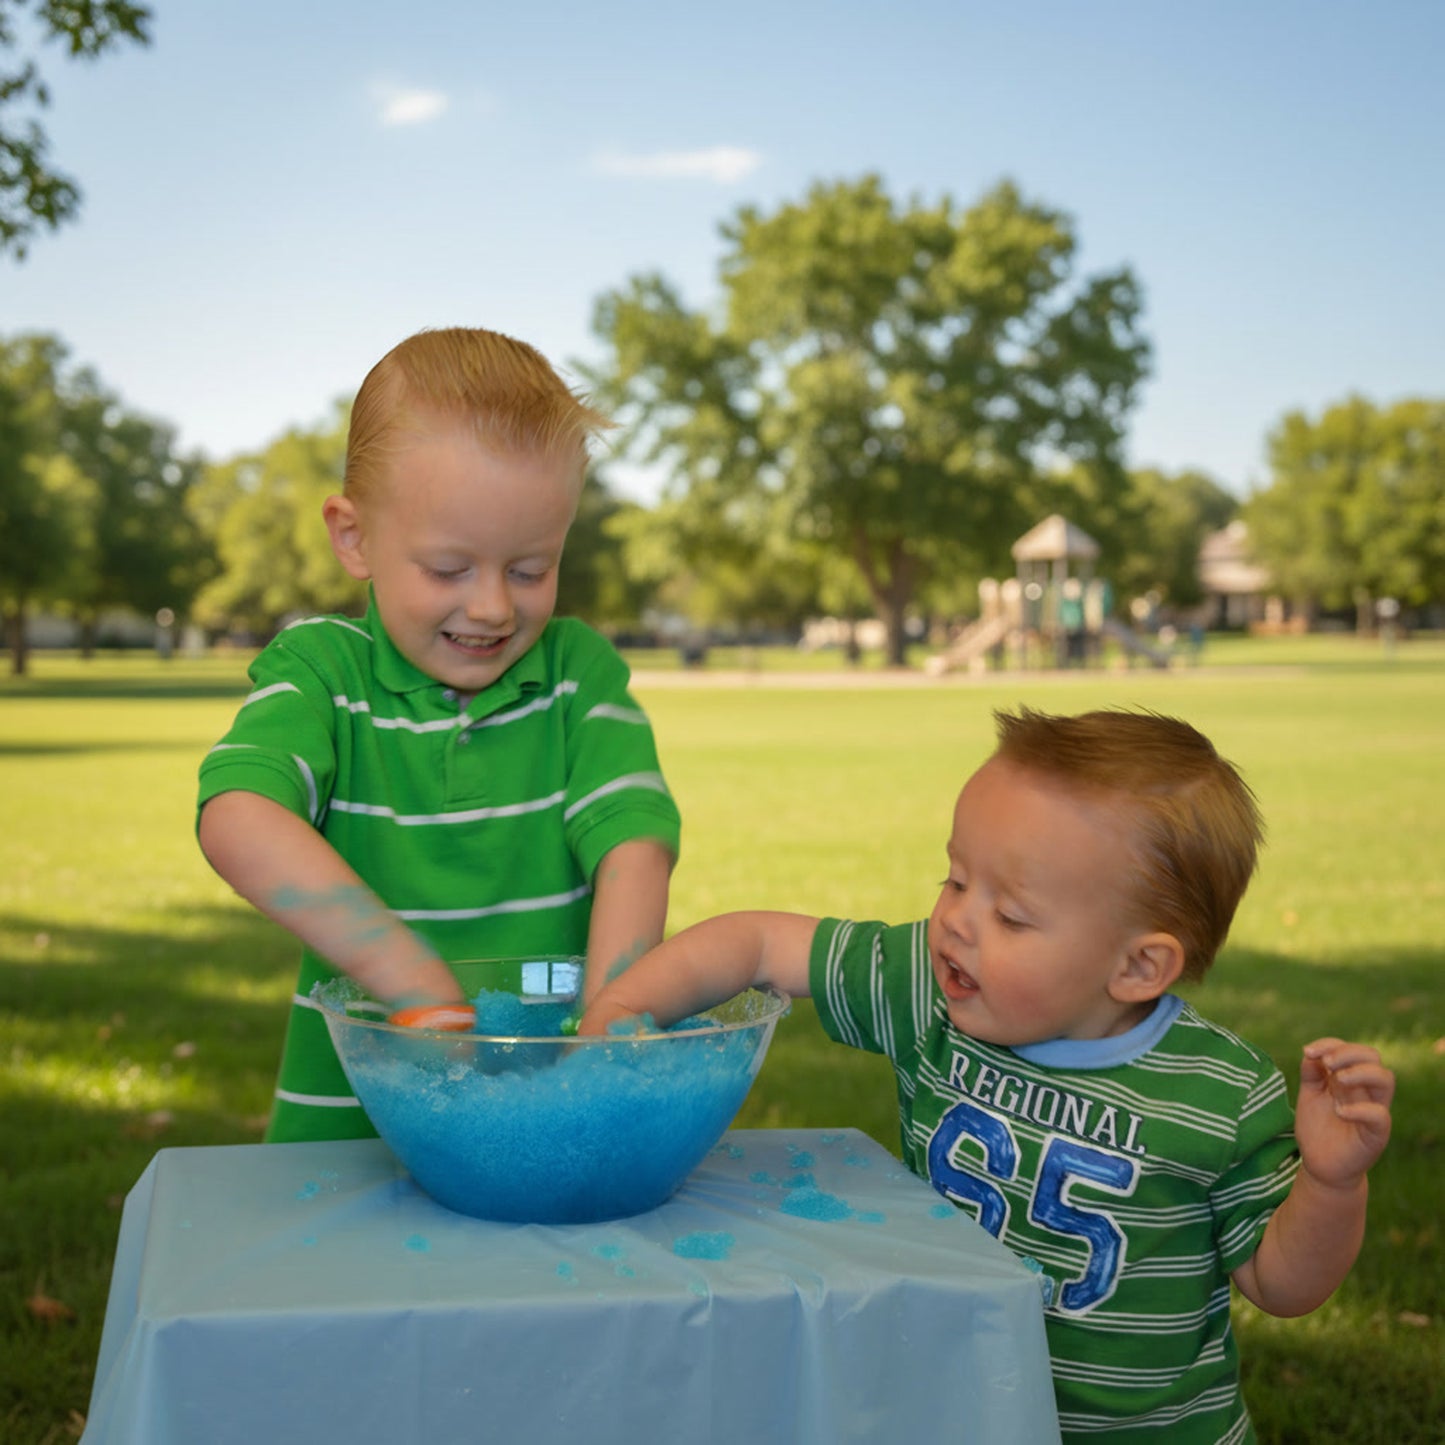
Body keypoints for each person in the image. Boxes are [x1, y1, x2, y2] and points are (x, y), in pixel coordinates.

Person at [579, 707, 1394, 1443]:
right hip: (955, 1405)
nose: (956, 922)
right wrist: (618, 1011)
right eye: (955, 879)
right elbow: (758, 943)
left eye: (1009, 915)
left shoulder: (1218, 1092)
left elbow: (1280, 1284)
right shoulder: (926, 990)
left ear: (1138, 966)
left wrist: (1331, 1181)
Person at [199, 326, 681, 1143]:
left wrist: (611, 1029)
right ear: (354, 537)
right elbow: (237, 816)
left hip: (546, 1114)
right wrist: (410, 980)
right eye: (449, 569)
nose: (492, 606)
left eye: (530, 569)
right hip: (348, 1130)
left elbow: (632, 847)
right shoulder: (321, 673)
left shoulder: (578, 676)